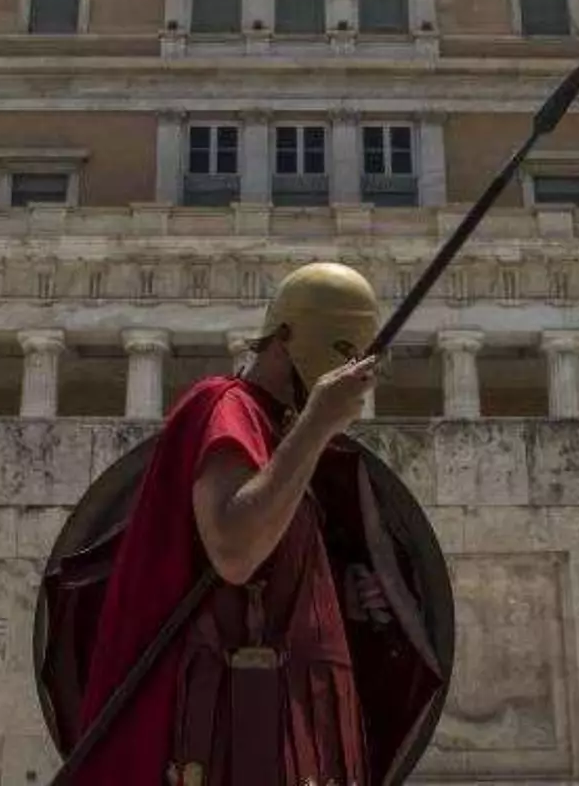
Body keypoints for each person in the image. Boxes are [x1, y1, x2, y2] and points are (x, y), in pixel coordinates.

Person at [63, 261, 446, 786]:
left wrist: (341, 599)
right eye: (341, 351)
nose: (351, 371)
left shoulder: (281, 437)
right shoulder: (225, 405)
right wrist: (317, 423)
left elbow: (277, 574)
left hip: (299, 719)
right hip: (236, 723)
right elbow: (235, 550)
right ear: (284, 336)